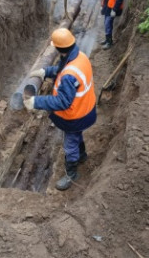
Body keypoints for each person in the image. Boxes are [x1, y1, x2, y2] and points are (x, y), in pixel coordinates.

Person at [24, 28, 96, 191]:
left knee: (70, 145)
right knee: (77, 135)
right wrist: (45, 72)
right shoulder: (79, 56)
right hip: (85, 108)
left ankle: (72, 174)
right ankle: (82, 156)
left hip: (75, 115)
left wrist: (36, 101)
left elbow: (63, 102)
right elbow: (61, 69)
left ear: (58, 48)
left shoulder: (70, 74)